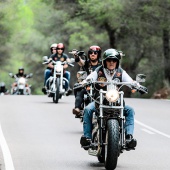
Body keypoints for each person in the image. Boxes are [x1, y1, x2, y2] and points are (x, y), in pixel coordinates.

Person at [80, 48, 148, 150]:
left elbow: (130, 81)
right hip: (100, 101)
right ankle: (87, 138)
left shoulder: (121, 72)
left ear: (117, 62)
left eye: (114, 60)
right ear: (104, 61)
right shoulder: (98, 71)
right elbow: (90, 78)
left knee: (130, 110)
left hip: (117, 102)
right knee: (88, 110)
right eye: (109, 60)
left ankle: (129, 137)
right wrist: (84, 82)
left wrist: (137, 86)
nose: (111, 62)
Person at [72, 45, 102, 116]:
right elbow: (79, 61)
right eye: (91, 52)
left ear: (98, 54)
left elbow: (111, 65)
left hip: (99, 86)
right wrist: (76, 55)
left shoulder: (102, 64)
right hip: (87, 85)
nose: (93, 54)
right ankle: (78, 108)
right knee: (79, 89)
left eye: (95, 53)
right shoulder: (86, 63)